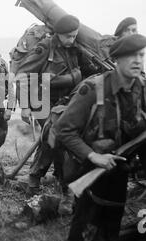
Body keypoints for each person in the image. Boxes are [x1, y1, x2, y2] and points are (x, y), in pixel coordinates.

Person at [54, 34, 146, 241]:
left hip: (119, 171)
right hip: (89, 171)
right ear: (116, 60)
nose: (138, 61)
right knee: (85, 230)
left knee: (110, 228)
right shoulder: (93, 89)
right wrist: (93, 156)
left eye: (141, 55)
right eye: (131, 56)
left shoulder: (141, 89)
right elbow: (64, 130)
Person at [16, 14, 96, 214]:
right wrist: (24, 106)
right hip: (42, 100)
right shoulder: (45, 48)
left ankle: (61, 181)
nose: (71, 39)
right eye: (68, 36)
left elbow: (89, 72)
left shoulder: (75, 49)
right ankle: (37, 180)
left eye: (74, 36)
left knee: (61, 139)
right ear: (58, 34)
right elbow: (23, 75)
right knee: (55, 135)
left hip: (66, 101)